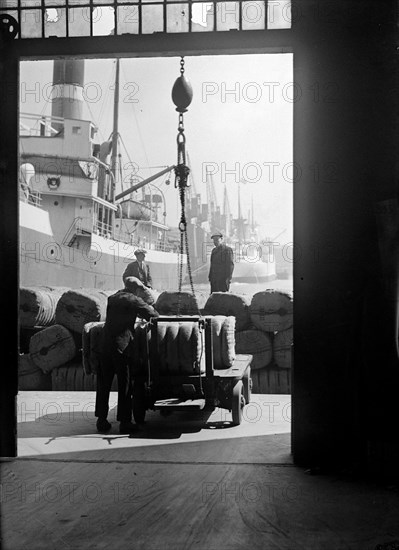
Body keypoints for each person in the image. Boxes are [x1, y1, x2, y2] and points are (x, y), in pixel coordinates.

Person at [95, 278, 159, 434]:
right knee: (125, 385)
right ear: (137, 290)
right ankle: (124, 422)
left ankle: (101, 420)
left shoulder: (112, 297)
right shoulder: (133, 299)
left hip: (104, 346)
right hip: (122, 347)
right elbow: (153, 314)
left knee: (104, 384)